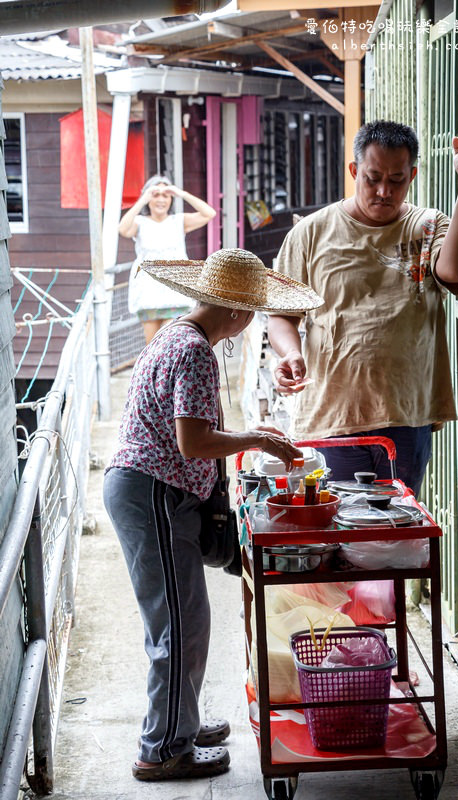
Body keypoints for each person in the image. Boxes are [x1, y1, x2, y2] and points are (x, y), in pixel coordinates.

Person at [102, 248, 323, 782]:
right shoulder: (195, 352)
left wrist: (249, 440)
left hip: (152, 491)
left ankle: (179, 722)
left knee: (185, 619)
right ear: (238, 313)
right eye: (251, 312)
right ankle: (163, 749)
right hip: (151, 493)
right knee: (178, 624)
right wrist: (256, 439)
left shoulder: (179, 335)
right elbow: (194, 440)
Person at [268, 120, 458, 498]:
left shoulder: (426, 226)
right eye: (373, 178)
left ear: (412, 176)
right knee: (338, 527)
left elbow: (453, 272)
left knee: (394, 533)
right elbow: (281, 316)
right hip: (332, 415)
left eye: (396, 180)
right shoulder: (310, 234)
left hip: (405, 415)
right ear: (354, 171)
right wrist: (291, 353)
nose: (384, 191)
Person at [118, 174, 216, 344]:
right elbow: (123, 229)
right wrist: (142, 200)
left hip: (174, 292)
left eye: (166, 195)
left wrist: (181, 194)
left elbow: (209, 213)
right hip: (147, 292)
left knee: (169, 341)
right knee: (152, 345)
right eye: (156, 195)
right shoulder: (140, 222)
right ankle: (151, 371)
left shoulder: (178, 221)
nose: (161, 200)